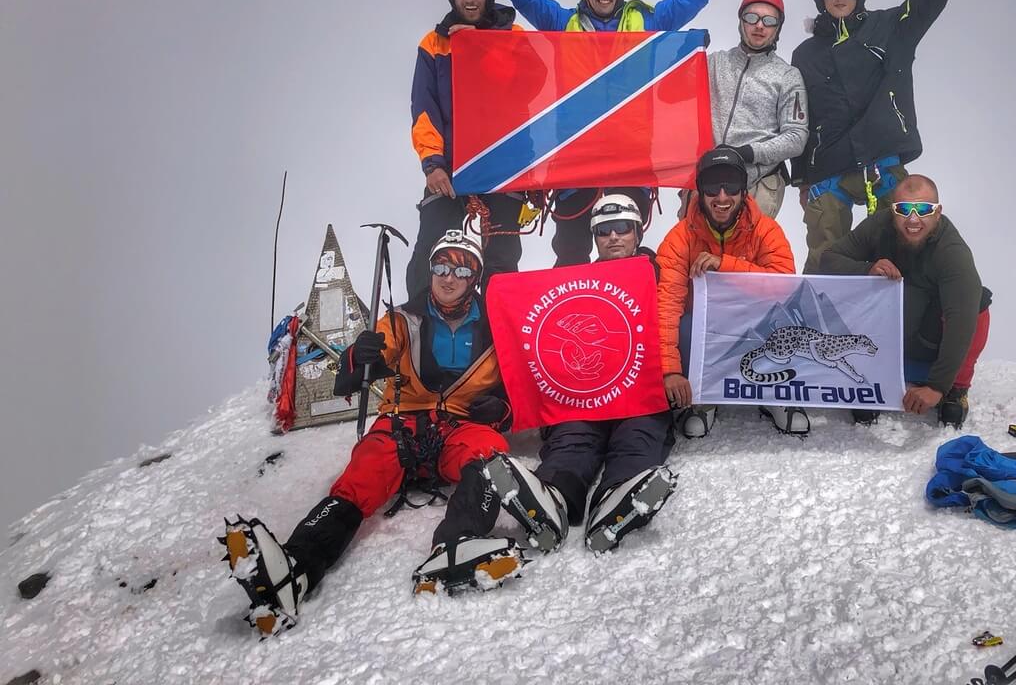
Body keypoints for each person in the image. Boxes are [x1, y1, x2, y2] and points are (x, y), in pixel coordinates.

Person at [220, 232, 569, 633]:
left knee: (489, 453)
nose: (448, 276)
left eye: (461, 268)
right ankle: (296, 567)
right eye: (440, 265)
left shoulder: (497, 326)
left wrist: (501, 409)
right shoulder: (403, 319)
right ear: (430, 269)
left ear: (475, 276)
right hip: (404, 423)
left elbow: (519, 385)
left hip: (459, 427)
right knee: (365, 470)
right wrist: (361, 355)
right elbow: (362, 365)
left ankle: (455, 544)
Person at [451, 0, 767, 266]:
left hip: (628, 158)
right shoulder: (562, 23)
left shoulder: (647, 22)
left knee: (624, 251)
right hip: (574, 157)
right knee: (570, 251)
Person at [791, 0, 976, 273]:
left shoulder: (892, 27)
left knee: (916, 234)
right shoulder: (805, 54)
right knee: (826, 254)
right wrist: (803, 180)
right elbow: (799, 118)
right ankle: (818, 323)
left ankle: (936, 303)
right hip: (832, 167)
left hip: (883, 160)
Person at [526, 194, 678, 553]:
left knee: (637, 434)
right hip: (588, 390)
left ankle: (618, 497)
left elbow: (675, 322)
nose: (613, 237)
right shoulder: (578, 281)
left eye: (622, 228)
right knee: (573, 436)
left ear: (637, 233)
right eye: (603, 231)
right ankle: (555, 497)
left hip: (640, 389)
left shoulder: (661, 276)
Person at [817, 175, 991, 428]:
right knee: (857, 287)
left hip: (931, 342)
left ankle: (957, 388)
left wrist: (936, 386)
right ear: (892, 210)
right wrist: (867, 269)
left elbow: (961, 320)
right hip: (889, 344)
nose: (912, 219)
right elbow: (829, 259)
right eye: (903, 209)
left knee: (976, 305)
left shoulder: (952, 252)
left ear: (938, 212)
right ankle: (873, 379)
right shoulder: (878, 226)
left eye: (923, 209)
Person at [406, 0, 527, 297]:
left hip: (501, 166)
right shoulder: (434, 44)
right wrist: (433, 164)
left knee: (503, 259)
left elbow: (532, 91)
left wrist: (479, 46)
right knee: (432, 249)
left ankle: (494, 333)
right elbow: (424, 109)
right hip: (450, 166)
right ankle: (418, 328)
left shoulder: (515, 37)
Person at [657, 146, 799, 437]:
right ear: (700, 191)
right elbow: (667, 305)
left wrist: (727, 265)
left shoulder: (766, 230)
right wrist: (671, 371)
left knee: (789, 320)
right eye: (712, 187)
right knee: (684, 326)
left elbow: (784, 286)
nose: (722, 197)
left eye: (731, 187)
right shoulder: (679, 238)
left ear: (744, 190)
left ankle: (774, 393)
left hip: (754, 323)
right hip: (705, 328)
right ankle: (704, 397)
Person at [706, 0, 808, 218]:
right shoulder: (713, 63)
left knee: (748, 255)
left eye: (769, 20)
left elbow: (796, 137)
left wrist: (749, 153)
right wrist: (687, 49)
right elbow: (670, 91)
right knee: (697, 254)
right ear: (741, 21)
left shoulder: (787, 76)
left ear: (778, 28)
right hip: (710, 183)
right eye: (752, 17)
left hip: (758, 183)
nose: (759, 25)